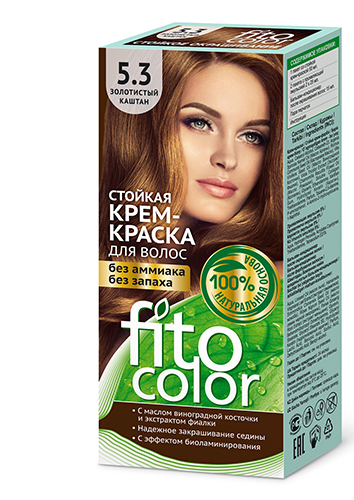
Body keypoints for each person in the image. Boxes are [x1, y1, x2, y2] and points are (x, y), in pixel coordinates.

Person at [99, 51, 284, 374]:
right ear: (146, 129)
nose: (228, 158)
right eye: (200, 123)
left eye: (252, 136)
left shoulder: (265, 283)